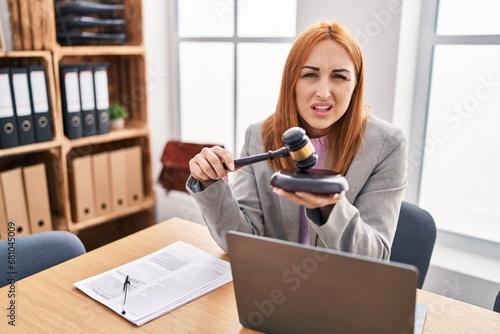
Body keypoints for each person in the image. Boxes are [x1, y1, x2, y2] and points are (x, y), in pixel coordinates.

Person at [186, 21, 407, 260]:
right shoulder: (258, 136)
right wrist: (210, 185)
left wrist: (329, 206)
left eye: (339, 76)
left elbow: (375, 257)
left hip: (341, 286)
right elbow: (239, 240)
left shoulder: (387, 144)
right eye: (310, 74)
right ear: (292, 81)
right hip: (275, 283)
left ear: (356, 85)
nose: (323, 92)